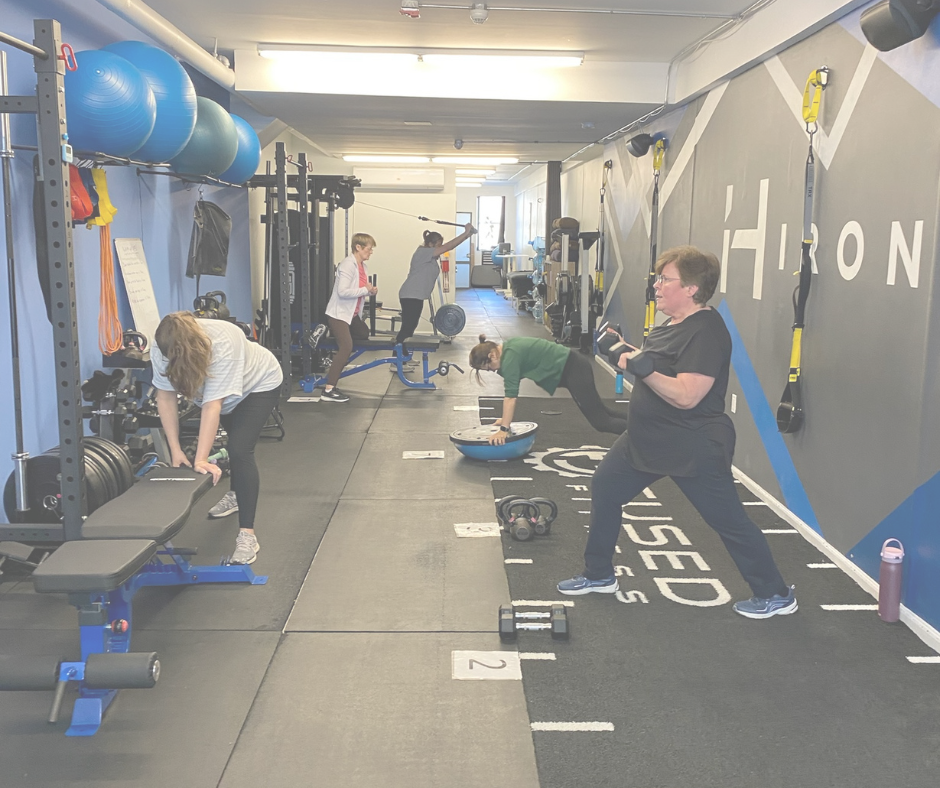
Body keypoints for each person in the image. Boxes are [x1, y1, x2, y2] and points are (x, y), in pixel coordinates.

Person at [555, 246, 796, 619]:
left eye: (665, 280)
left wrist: (642, 368)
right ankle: (599, 573)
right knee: (605, 487)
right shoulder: (672, 323)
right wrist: (623, 349)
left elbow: (687, 395)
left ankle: (775, 593)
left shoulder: (706, 332)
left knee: (728, 522)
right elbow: (656, 364)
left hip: (692, 445)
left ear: (691, 288)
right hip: (646, 439)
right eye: (658, 278)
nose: (656, 286)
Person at [151, 312, 283, 565]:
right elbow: (165, 397)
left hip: (258, 384)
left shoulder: (224, 340)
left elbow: (213, 405)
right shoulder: (161, 348)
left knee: (240, 449)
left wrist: (200, 459)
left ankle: (247, 535)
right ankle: (237, 494)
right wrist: (175, 450)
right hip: (224, 397)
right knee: (234, 442)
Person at [468, 334, 628, 443]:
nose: (494, 371)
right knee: (602, 411)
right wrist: (505, 420)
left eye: (490, 368)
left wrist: (504, 429)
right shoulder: (508, 350)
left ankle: (644, 434)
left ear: (493, 356)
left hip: (574, 369)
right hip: (573, 367)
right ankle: (643, 424)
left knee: (600, 422)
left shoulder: (510, 359)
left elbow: (510, 397)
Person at [395, 223, 476, 345]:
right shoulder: (422, 253)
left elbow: (448, 247)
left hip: (416, 296)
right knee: (407, 328)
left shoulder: (430, 258)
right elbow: (449, 246)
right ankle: (397, 359)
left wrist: (468, 235)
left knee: (411, 327)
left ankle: (403, 357)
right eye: (438, 246)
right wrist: (465, 233)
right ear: (430, 245)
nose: (439, 249)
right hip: (410, 295)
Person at [323, 233, 378, 402]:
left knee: (363, 334)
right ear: (358, 247)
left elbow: (360, 290)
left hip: (352, 314)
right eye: (369, 249)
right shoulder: (347, 265)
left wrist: (370, 291)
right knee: (346, 347)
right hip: (339, 314)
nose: (371, 252)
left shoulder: (363, 267)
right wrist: (365, 290)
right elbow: (342, 292)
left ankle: (336, 347)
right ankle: (329, 390)